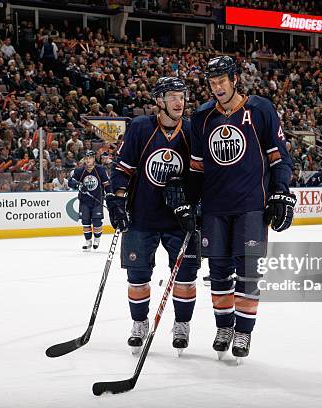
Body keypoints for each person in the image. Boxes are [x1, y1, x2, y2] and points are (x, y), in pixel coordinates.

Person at [188, 56, 295, 360]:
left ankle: (243, 332)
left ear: (235, 79)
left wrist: (280, 192)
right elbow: (196, 169)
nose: (217, 87)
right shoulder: (202, 118)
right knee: (219, 271)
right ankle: (224, 327)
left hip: (252, 204)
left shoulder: (260, 110)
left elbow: (279, 158)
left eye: (222, 80)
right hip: (215, 207)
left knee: (248, 271)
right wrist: (189, 203)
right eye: (211, 82)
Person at [107, 77, 199, 355]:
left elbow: (199, 174)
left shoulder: (192, 131)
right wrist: (117, 200)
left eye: (181, 96)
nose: (179, 102)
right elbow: (122, 169)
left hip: (178, 219)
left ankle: (182, 324)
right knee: (137, 276)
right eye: (172, 96)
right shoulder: (140, 128)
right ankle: (139, 323)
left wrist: (191, 201)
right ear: (159, 101)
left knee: (185, 275)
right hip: (142, 217)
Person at [68, 150, 111, 251]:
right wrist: (77, 185)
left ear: (94, 159)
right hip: (84, 201)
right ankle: (88, 241)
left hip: (97, 200)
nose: (88, 160)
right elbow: (70, 181)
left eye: (90, 158)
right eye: (86, 158)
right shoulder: (79, 170)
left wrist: (109, 194)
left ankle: (97, 238)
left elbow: (106, 184)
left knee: (97, 221)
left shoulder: (100, 170)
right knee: (85, 221)